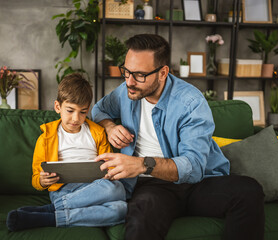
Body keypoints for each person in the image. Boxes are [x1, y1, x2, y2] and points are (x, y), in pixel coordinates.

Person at [92, 34, 265, 240]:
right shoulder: (126, 91)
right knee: (142, 213)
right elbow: (98, 109)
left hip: (198, 185)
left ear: (163, 72)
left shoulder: (190, 102)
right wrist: (110, 126)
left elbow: (193, 167)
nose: (129, 81)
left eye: (139, 75)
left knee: (248, 190)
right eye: (126, 71)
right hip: (153, 187)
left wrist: (141, 164)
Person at [6, 73, 135, 231]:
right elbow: (36, 178)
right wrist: (42, 181)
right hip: (63, 190)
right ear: (57, 107)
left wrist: (110, 172)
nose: (76, 118)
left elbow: (110, 165)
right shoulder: (46, 138)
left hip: (94, 189)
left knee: (121, 207)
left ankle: (51, 212)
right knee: (114, 191)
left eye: (83, 112)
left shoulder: (98, 133)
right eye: (70, 110)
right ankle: (57, 210)